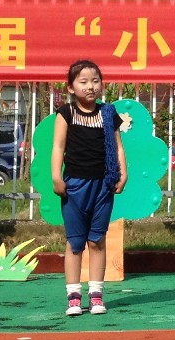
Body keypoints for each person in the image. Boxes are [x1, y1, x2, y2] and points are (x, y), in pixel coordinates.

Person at [50, 60, 127, 317]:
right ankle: (74, 297)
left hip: (103, 185)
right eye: (83, 82)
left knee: (97, 240)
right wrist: (56, 177)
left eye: (95, 81)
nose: (90, 86)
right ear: (71, 87)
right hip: (74, 186)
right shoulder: (66, 113)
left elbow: (117, 147)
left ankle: (96, 296)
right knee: (75, 243)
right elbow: (58, 147)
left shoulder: (108, 113)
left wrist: (123, 173)